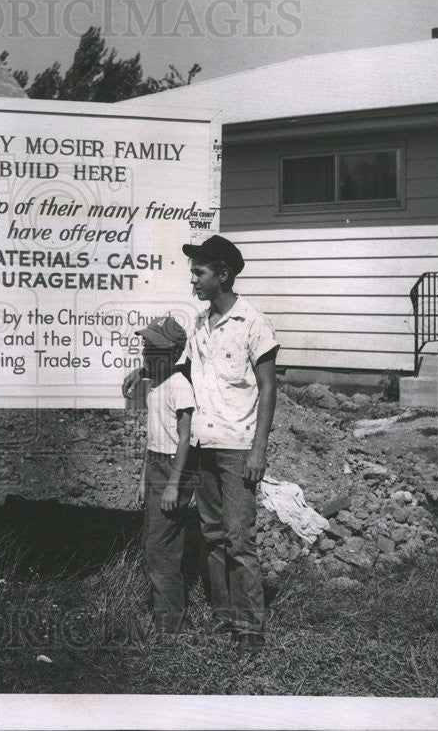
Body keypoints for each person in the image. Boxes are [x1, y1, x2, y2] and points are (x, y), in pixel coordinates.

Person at [124, 234, 278, 654]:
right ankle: (224, 616)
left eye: (200, 271)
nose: (192, 279)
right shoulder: (197, 324)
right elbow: (181, 366)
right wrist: (144, 372)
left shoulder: (253, 323)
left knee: (238, 536)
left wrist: (259, 449)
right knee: (211, 533)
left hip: (238, 447)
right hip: (203, 445)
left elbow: (267, 389)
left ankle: (251, 629)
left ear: (222, 274)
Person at [133, 316, 197, 634]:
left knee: (162, 549)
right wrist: (144, 480)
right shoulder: (157, 383)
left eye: (153, 348)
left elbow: (186, 439)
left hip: (176, 469)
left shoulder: (179, 387)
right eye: (144, 346)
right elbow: (152, 438)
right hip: (157, 465)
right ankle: (165, 617)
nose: (145, 353)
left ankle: (170, 626)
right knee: (153, 541)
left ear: (172, 354)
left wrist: (173, 485)